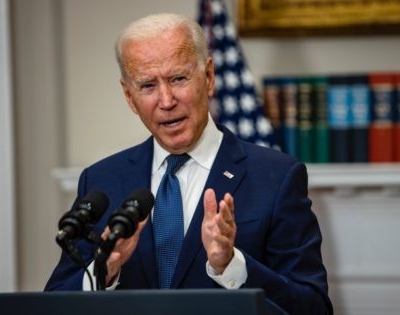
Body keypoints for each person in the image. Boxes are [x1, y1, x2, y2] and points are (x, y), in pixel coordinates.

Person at [45, 13, 332, 314]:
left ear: (208, 77)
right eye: (147, 86)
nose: (166, 101)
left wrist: (231, 266)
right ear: (129, 97)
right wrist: (103, 271)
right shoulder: (102, 181)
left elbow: (313, 308)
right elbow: (51, 305)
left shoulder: (276, 177)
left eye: (178, 79)